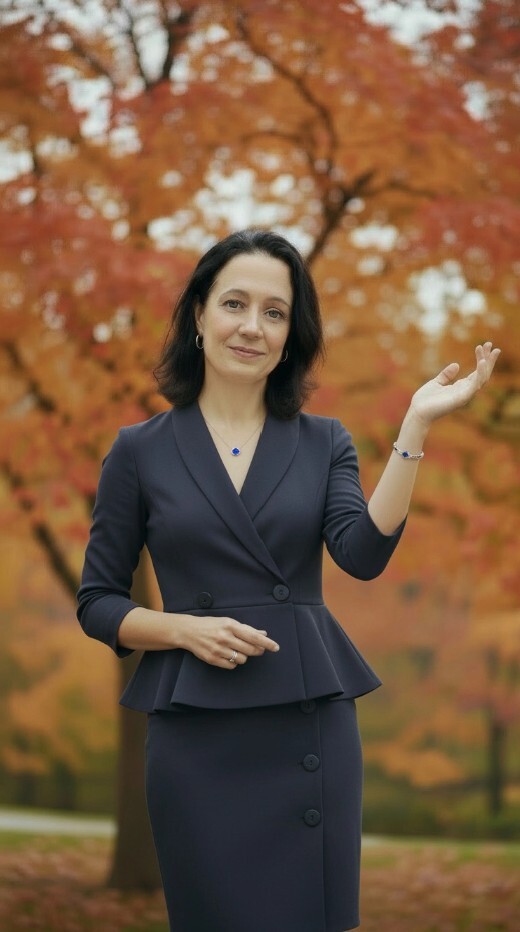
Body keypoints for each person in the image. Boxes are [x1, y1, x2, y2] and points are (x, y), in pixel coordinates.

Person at [77, 228, 499, 932]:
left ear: (291, 333)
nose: (253, 326)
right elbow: (98, 603)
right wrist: (182, 630)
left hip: (308, 730)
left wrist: (415, 427)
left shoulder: (324, 440)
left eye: (275, 312)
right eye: (235, 304)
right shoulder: (138, 451)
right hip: (196, 736)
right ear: (200, 317)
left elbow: (362, 553)